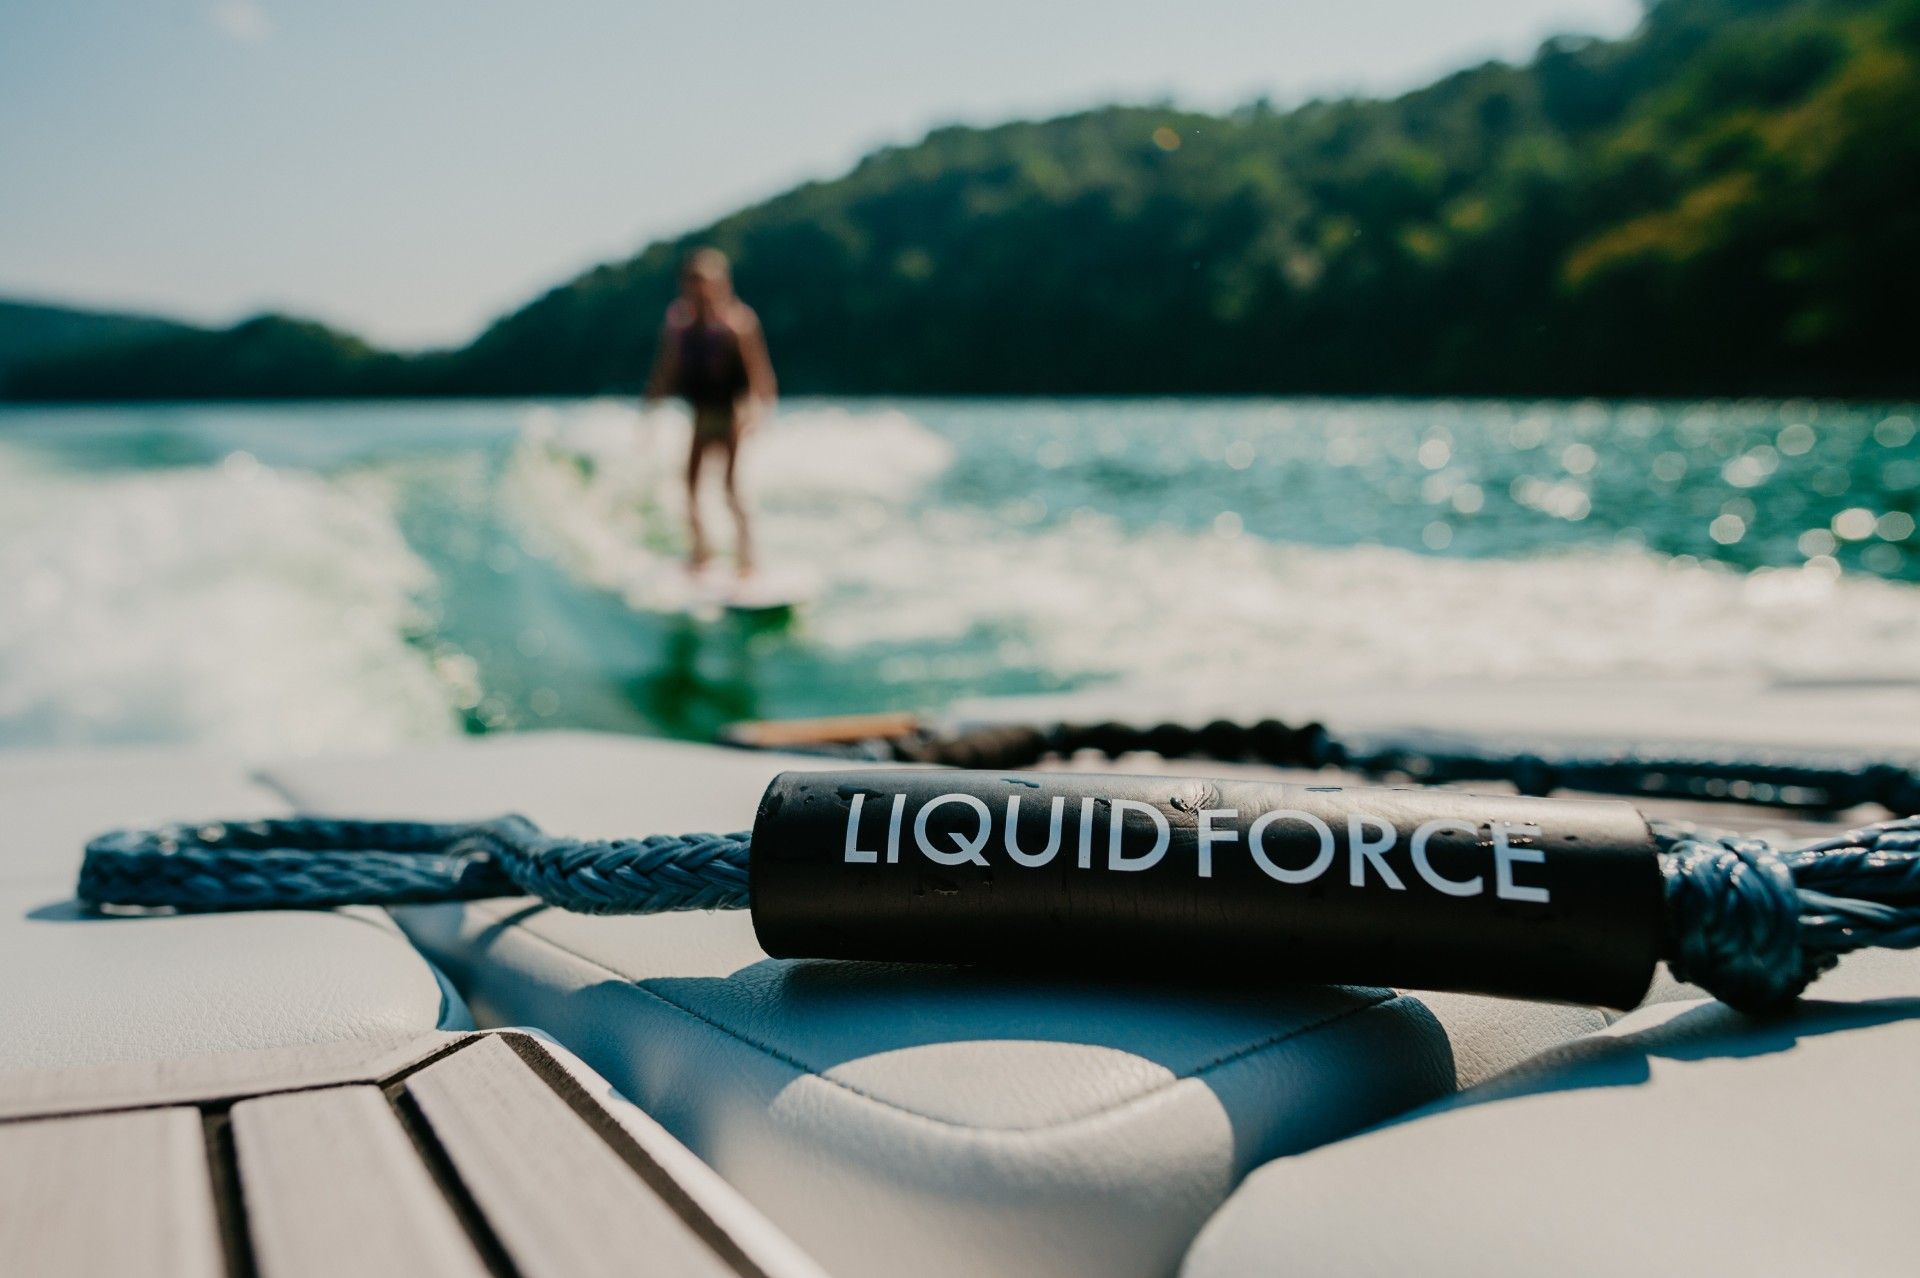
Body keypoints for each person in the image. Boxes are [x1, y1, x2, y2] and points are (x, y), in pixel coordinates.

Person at [644, 248, 777, 575]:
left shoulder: (738, 324)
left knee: (730, 488)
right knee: (688, 488)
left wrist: (758, 413)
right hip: (701, 415)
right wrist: (650, 408)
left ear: (721, 284)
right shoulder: (680, 326)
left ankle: (747, 560)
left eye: (706, 282)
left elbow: (760, 375)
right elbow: (666, 370)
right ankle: (701, 553)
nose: (699, 290)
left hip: (730, 413)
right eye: (693, 282)